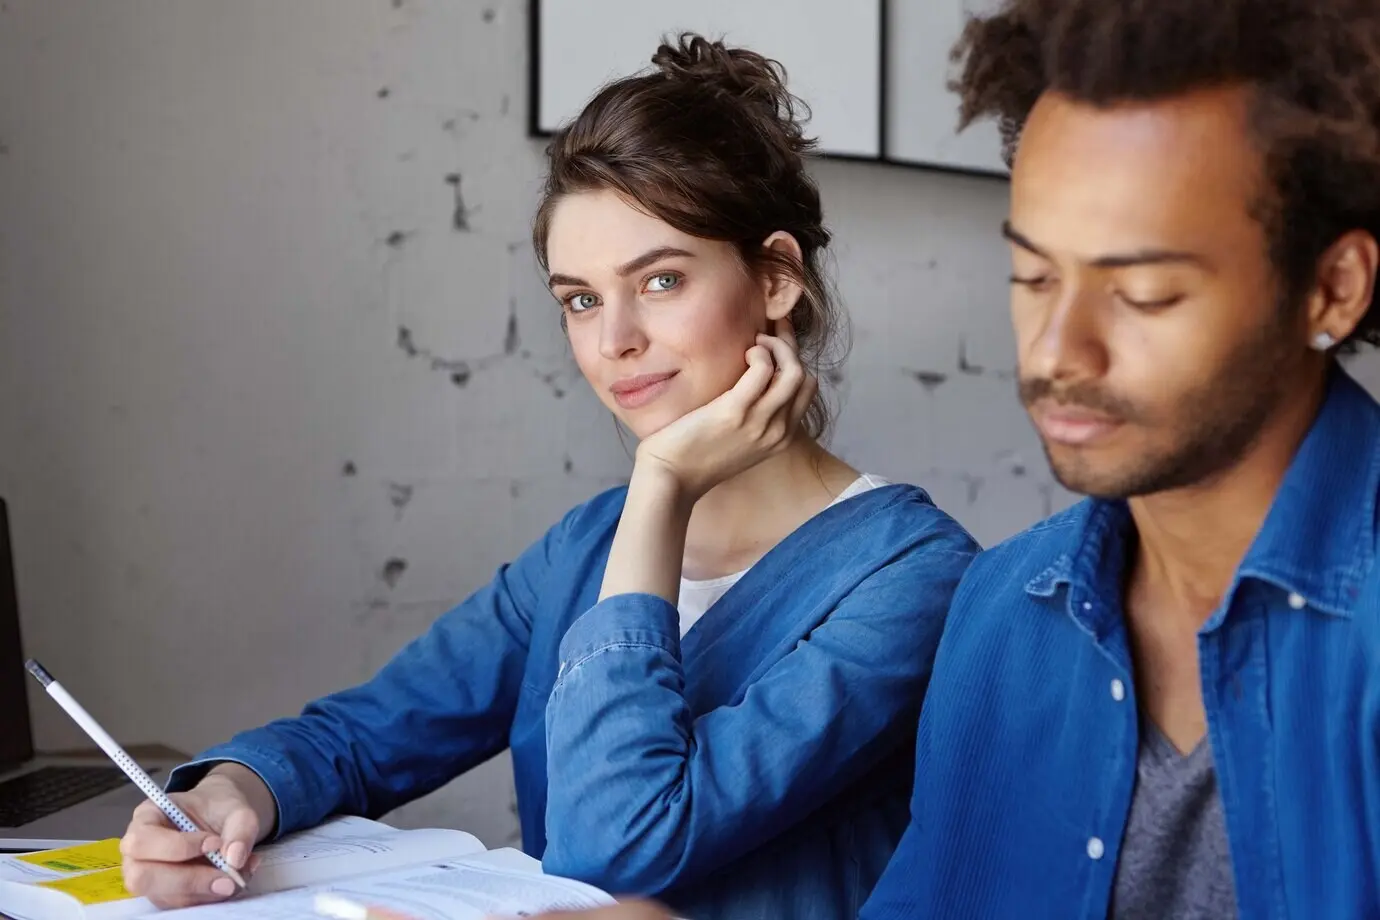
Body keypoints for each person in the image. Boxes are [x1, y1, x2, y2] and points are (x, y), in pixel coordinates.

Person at [117, 34, 979, 920]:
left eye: (662, 279)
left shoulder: (914, 578)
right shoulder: (581, 551)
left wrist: (661, 488)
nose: (614, 342)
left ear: (776, 278)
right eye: (581, 299)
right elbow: (361, 734)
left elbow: (624, 839)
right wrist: (235, 790)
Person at [853, 1, 1380, 918]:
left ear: (1330, 290)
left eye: (1142, 293)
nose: (1059, 351)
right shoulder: (1000, 614)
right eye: (1034, 277)